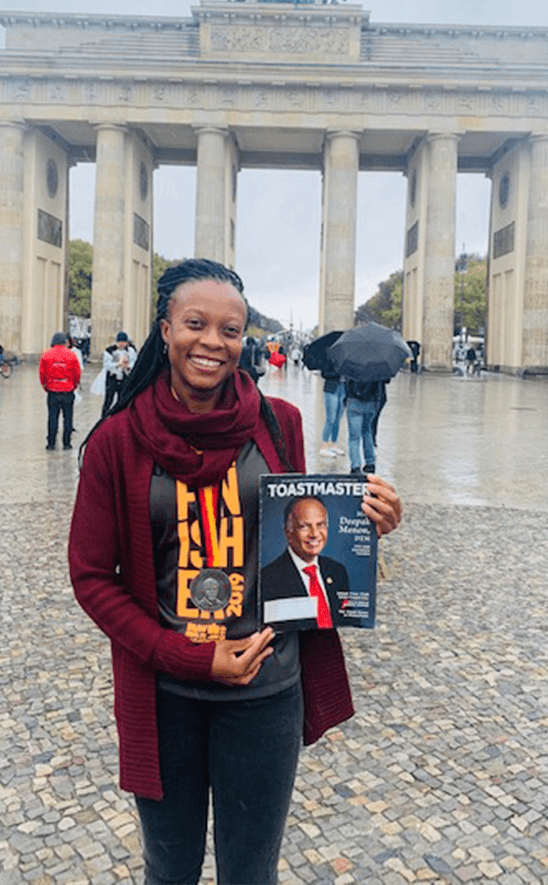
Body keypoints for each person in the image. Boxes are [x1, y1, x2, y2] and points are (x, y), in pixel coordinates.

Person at [68, 258, 401, 885]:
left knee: (252, 872)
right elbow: (90, 576)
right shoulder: (117, 441)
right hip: (166, 690)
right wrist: (186, 657)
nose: (213, 342)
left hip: (266, 689)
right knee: (169, 869)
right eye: (196, 323)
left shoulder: (282, 424)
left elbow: (304, 534)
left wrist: (368, 528)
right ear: (164, 328)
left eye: (231, 329)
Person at [260, 498, 350, 629]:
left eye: (320, 525)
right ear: (288, 532)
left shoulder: (337, 571)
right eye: (304, 526)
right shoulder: (268, 579)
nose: (314, 534)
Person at [39, 331, 81, 450]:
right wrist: (74, 385)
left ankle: (51, 443)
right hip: (67, 389)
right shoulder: (71, 355)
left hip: (53, 390)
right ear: (64, 342)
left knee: (52, 417)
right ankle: (67, 443)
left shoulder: (46, 355)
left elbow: (42, 374)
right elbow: (77, 373)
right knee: (68, 417)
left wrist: (45, 386)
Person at [344, 377, 381, 474]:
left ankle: (355, 465)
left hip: (354, 400)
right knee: (367, 432)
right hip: (371, 401)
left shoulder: (351, 362)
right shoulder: (376, 365)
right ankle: (370, 463)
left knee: (354, 437)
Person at [101, 331, 137, 417]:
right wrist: (118, 364)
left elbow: (134, 362)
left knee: (123, 399)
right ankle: (104, 418)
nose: (121, 344)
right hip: (112, 377)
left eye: (123, 342)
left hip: (125, 377)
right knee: (108, 399)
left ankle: (120, 417)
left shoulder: (131, 350)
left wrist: (128, 366)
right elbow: (107, 365)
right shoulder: (109, 351)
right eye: (120, 342)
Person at [319, 352, 345, 458]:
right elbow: (324, 374)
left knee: (338, 418)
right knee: (331, 418)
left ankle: (334, 444)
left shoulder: (346, 356)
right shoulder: (329, 355)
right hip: (331, 389)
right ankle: (324, 446)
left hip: (343, 388)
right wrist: (339, 371)